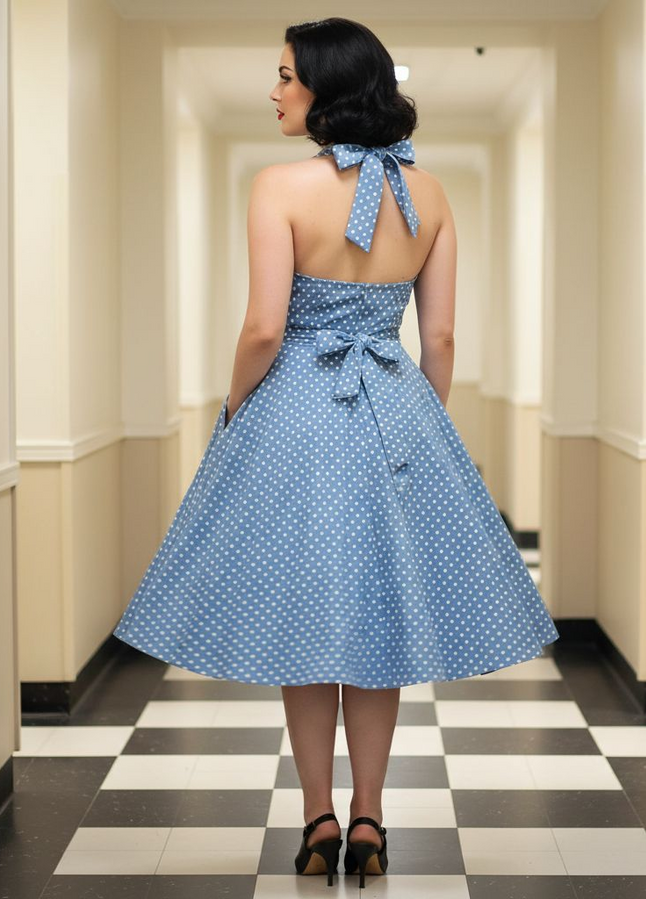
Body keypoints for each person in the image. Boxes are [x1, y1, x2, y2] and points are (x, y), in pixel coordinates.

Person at [113, 16, 560, 890]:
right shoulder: (429, 198)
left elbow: (264, 327)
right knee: (381, 630)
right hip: (394, 412)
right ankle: (369, 817)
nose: (273, 90)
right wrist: (419, 427)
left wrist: (235, 404)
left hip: (296, 419)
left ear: (323, 87)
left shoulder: (277, 186)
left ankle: (315, 815)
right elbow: (440, 337)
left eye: (284, 75)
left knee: (308, 629)